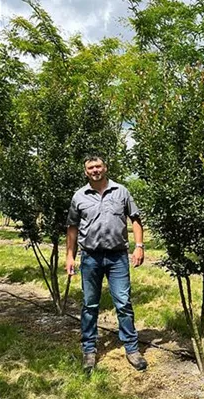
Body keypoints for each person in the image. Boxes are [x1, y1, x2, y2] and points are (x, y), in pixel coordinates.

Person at [65, 155, 147, 373]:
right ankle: (89, 350)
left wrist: (139, 246)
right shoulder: (79, 196)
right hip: (90, 257)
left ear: (105, 168)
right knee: (90, 305)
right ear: (85, 172)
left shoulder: (121, 191)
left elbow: (136, 219)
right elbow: (72, 228)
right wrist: (69, 255)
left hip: (117, 257)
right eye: (90, 168)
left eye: (98, 166)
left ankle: (131, 349)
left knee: (123, 303)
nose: (95, 170)